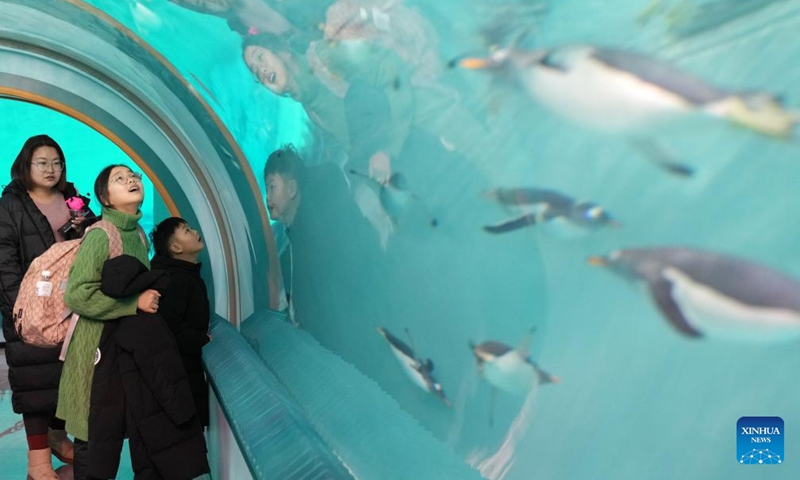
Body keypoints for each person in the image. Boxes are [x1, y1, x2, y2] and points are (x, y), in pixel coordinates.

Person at [57, 165, 160, 480]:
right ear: (105, 198)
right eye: (120, 178)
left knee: (116, 431)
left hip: (124, 349)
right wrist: (133, 304)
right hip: (95, 353)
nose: (132, 179)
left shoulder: (139, 235)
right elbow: (77, 295)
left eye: (134, 175)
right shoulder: (102, 235)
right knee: (96, 436)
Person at [0, 134, 91, 480]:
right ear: (26, 165)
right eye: (42, 163)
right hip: (29, 309)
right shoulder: (9, 206)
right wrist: (19, 311)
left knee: (67, 377)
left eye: (56, 162)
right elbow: (4, 261)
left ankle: (57, 434)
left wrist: (87, 226)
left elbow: (97, 241)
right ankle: (37, 460)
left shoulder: (73, 199)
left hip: (71, 305)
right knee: (34, 380)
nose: (51, 169)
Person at [149, 217, 211, 427]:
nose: (194, 232)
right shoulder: (177, 280)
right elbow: (170, 325)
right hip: (180, 372)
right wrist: (201, 340)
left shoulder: (184, 274)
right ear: (176, 247)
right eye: (186, 231)